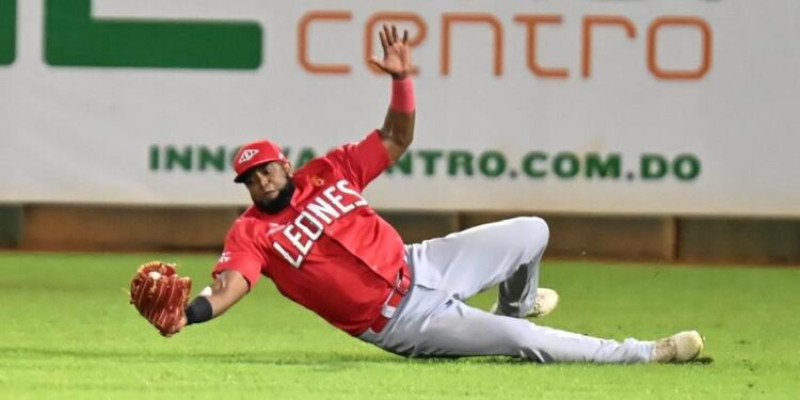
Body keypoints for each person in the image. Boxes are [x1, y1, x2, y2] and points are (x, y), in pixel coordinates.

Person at [170, 24, 704, 364]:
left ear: (284, 163)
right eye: (250, 179)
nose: (261, 181)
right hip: (401, 322)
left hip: (423, 264)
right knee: (521, 345)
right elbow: (231, 286)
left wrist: (402, 81)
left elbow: (396, 137)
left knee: (532, 232)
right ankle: (645, 353)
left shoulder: (328, 171)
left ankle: (515, 305)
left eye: (266, 169)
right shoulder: (251, 232)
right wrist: (189, 314)